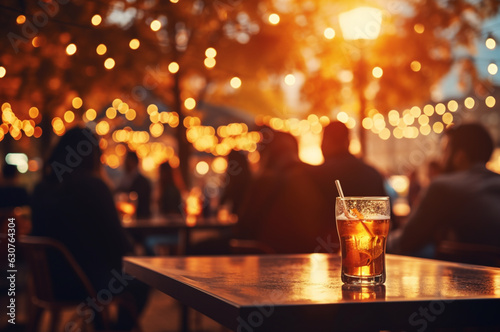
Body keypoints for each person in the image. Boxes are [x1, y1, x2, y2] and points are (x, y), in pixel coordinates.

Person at [31, 127, 148, 330]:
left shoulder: (41, 189)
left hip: (51, 283)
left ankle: (105, 326)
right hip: (86, 283)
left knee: (100, 268)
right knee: (143, 278)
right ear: (93, 156)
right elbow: (120, 246)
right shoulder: (93, 187)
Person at [387, 123, 500, 260]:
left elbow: (404, 242)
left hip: (463, 277)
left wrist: (374, 243)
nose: (442, 159)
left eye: (445, 152)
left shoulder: (443, 187)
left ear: (460, 157)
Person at [236, 130, 328, 254]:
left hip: (269, 258)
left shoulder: (264, 181)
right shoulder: (317, 174)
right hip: (312, 255)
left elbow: (243, 228)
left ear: (269, 154)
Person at [308, 121, 389, 248]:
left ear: (325, 142)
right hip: (373, 250)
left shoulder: (315, 175)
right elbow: (390, 221)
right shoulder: (372, 173)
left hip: (325, 251)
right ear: (349, 141)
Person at [117, 151, 152, 218]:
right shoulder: (125, 179)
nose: (125, 163)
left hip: (141, 221)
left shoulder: (142, 182)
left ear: (134, 162)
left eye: (128, 160)